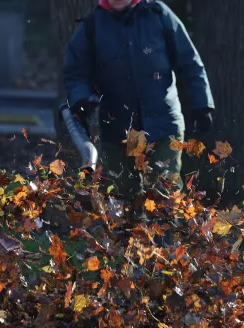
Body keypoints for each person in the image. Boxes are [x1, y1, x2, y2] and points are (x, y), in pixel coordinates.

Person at [62, 0, 215, 221]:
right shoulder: (92, 26)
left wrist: (202, 105)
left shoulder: (159, 15)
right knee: (123, 200)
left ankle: (167, 251)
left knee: (165, 196)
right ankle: (129, 250)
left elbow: (190, 62)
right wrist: (81, 99)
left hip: (163, 125)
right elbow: (75, 74)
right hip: (119, 130)